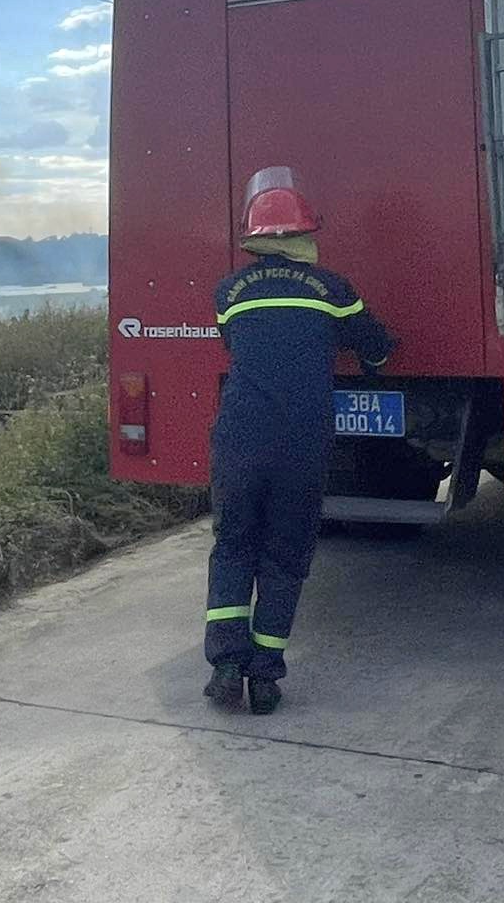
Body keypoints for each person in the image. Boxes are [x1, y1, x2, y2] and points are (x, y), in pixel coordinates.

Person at [204, 166, 393, 715]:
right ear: (303, 236)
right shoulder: (333, 289)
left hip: (239, 440)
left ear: (257, 238)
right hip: (300, 445)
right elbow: (372, 343)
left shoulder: (228, 292)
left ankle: (225, 666)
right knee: (285, 557)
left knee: (234, 546)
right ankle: (265, 678)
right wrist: (377, 359)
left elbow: (233, 342)